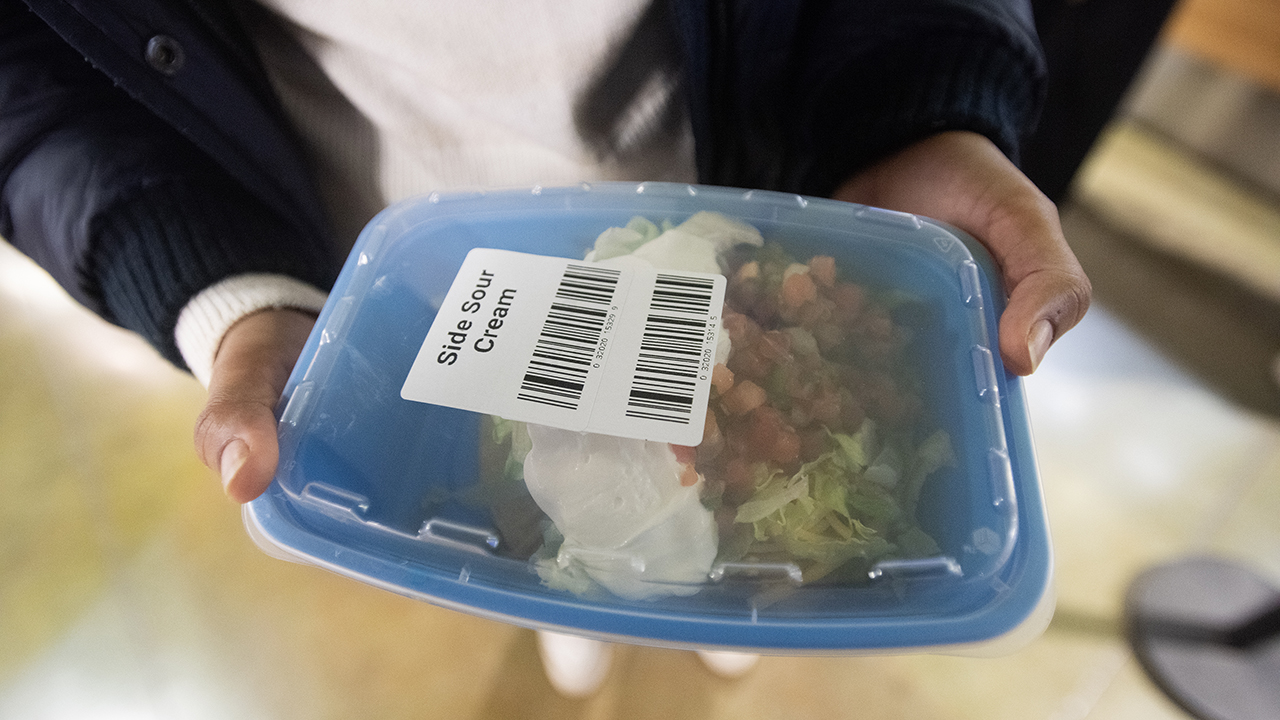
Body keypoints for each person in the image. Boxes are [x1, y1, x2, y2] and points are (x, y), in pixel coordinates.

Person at [1, 0, 1090, 698]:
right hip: (405, 264)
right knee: (523, 517)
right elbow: (28, 75)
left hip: (747, 176)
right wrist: (219, 280)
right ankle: (571, 613)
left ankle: (722, 626)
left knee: (742, 569)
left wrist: (914, 101)